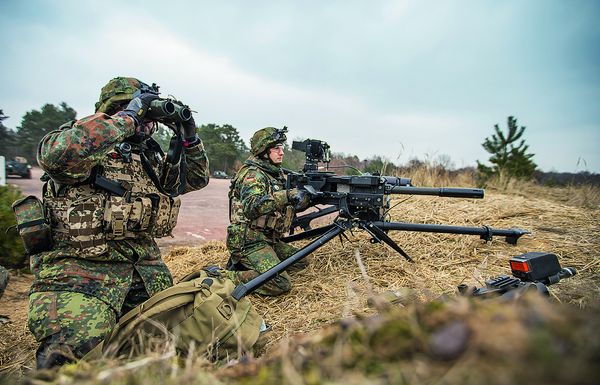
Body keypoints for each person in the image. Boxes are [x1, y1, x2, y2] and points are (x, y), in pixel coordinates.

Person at [27, 77, 210, 368]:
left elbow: (195, 179)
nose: (147, 121)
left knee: (172, 347)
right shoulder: (84, 140)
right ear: (115, 109)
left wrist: (188, 136)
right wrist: (128, 119)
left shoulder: (148, 154)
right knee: (74, 358)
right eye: (139, 110)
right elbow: (55, 156)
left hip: (144, 271)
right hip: (82, 271)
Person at [225, 127, 311, 296]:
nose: (282, 152)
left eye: (282, 148)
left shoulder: (272, 173)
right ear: (264, 151)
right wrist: (286, 196)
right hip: (249, 241)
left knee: (301, 261)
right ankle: (223, 277)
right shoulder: (253, 174)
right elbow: (252, 207)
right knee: (281, 283)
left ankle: (249, 266)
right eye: (276, 148)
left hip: (266, 238)